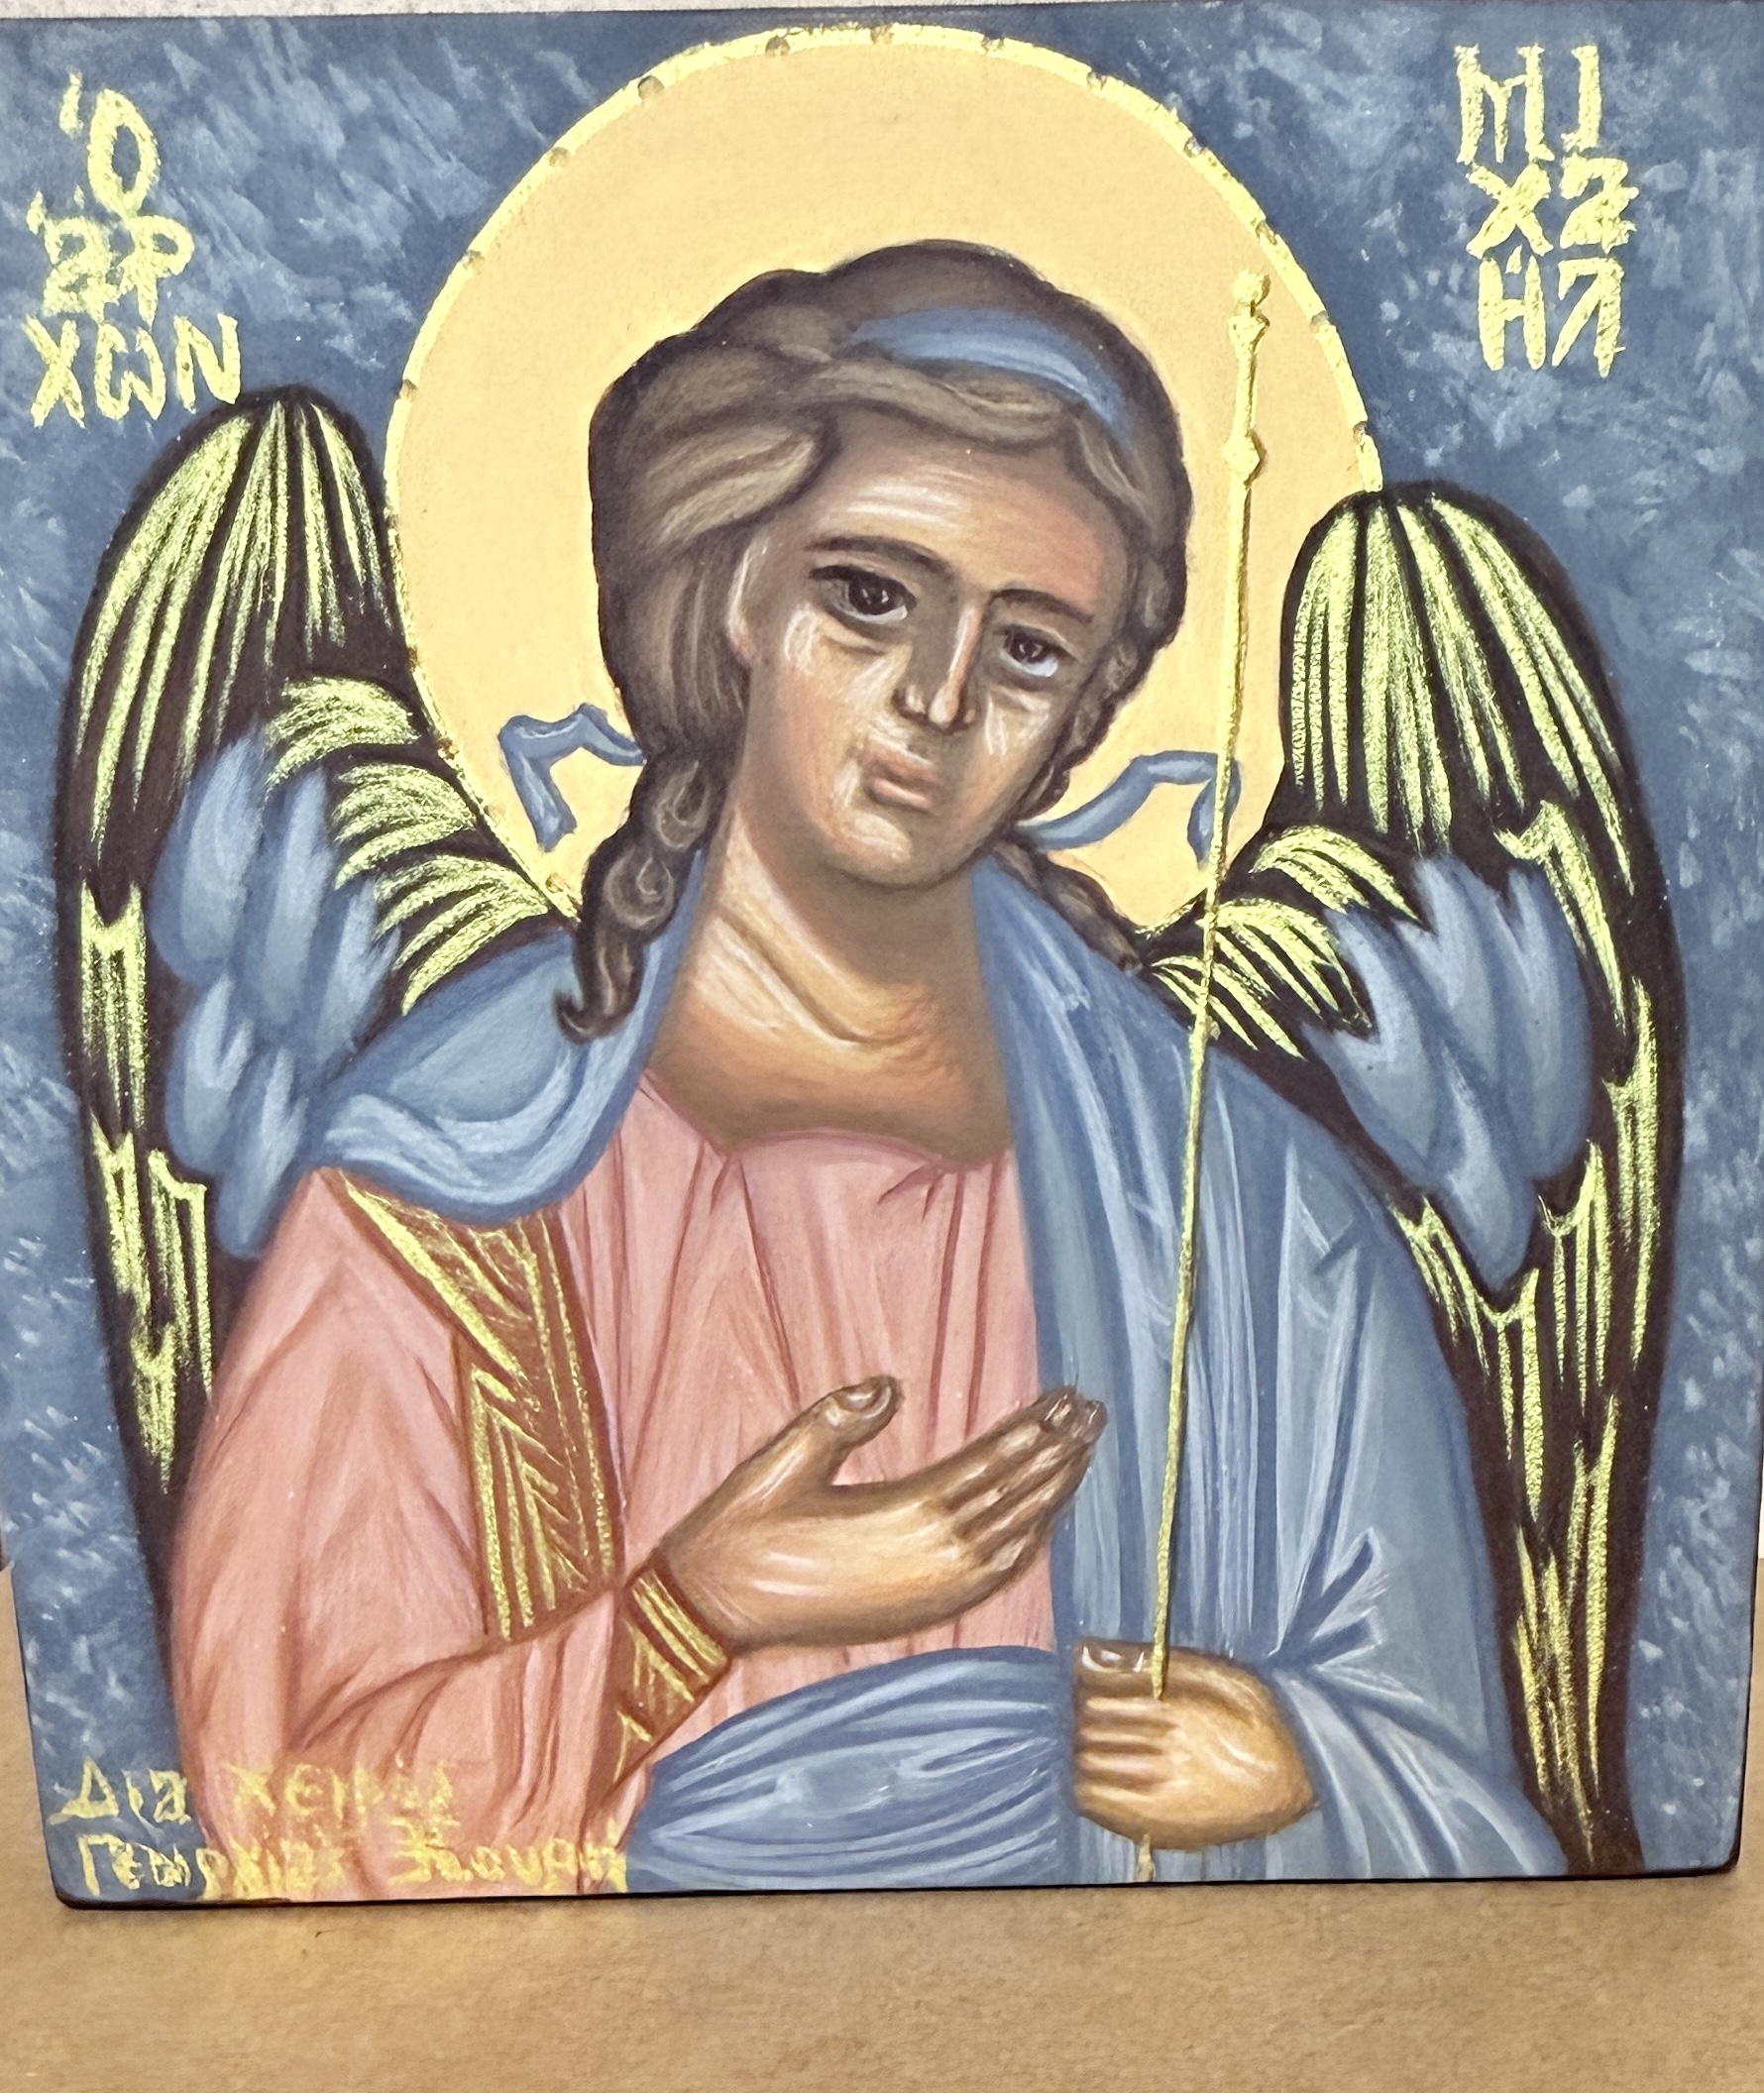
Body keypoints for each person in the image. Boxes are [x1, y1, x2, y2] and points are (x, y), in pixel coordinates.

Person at [169, 242, 1560, 1895]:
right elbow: (281, 1806)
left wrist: (1298, 1768)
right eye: (872, 596)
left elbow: (1475, 1816)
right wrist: (695, 1608)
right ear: (740, 593)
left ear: (1081, 718)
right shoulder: (445, 1183)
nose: (938, 699)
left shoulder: (1252, 1222)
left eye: (1028, 650)